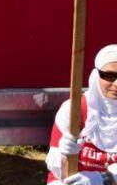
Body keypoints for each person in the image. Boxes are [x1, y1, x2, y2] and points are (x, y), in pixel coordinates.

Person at [47, 45, 117, 185]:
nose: (116, 84)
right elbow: (57, 170)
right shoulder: (74, 110)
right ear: (96, 75)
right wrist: (65, 155)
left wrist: (102, 179)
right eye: (109, 76)